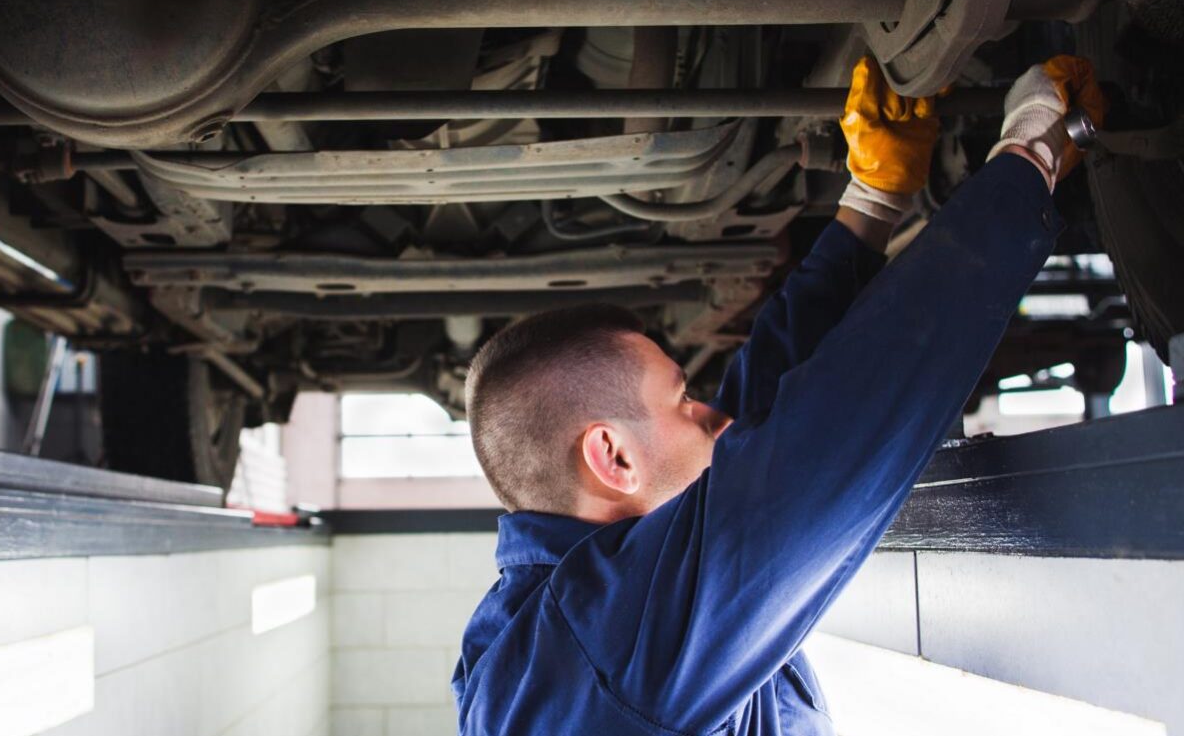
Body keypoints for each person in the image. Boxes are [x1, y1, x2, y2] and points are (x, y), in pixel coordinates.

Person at [451, 55, 1108, 736]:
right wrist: (1027, 155)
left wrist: (871, 205)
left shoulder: (575, 644)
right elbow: (817, 453)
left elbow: (756, 431)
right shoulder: (596, 657)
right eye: (683, 402)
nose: (713, 414)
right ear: (612, 456)